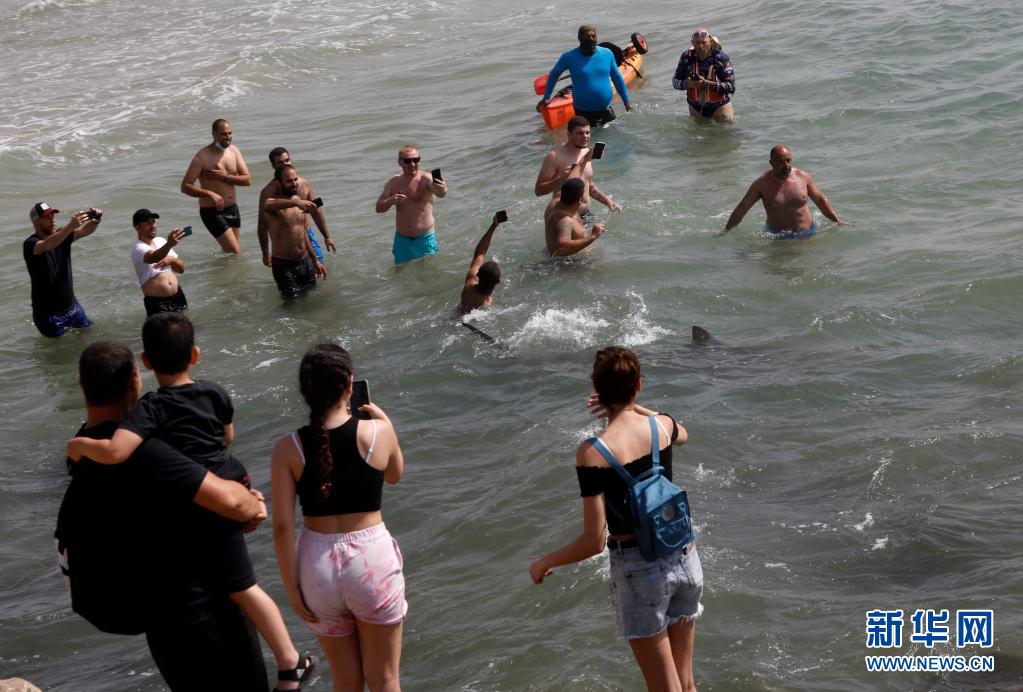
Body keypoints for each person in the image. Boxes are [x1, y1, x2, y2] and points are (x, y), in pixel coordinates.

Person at [66, 315, 314, 691]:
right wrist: (250, 502)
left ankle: (289, 664)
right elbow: (232, 492)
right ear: (135, 379)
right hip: (203, 616)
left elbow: (117, 456)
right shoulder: (163, 441)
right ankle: (289, 663)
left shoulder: (82, 460)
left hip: (158, 618)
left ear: (83, 385)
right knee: (244, 587)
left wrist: (78, 445)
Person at [529, 347, 701, 692]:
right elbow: (682, 432)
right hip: (685, 558)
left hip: (641, 573)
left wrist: (544, 561)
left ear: (597, 390)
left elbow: (593, 541)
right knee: (685, 684)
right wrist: (637, 406)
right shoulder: (662, 427)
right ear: (638, 384)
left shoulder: (593, 453)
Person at [271, 344, 406, 692]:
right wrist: (386, 424)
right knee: (385, 679)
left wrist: (293, 590)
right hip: (370, 563)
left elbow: (282, 528)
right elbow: (394, 475)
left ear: (305, 391)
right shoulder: (378, 432)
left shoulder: (288, 448)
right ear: (349, 385)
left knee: (346, 680)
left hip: (317, 568)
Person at [720, 144, 848, 238]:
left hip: (807, 231)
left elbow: (820, 200)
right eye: (781, 162)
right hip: (777, 236)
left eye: (788, 160)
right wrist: (726, 231)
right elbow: (742, 208)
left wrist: (838, 221)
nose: (786, 165)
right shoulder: (761, 184)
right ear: (771, 163)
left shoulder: (803, 177)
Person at [23, 202, 101, 337]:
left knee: (91, 337)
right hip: (49, 315)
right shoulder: (31, 243)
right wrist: (71, 226)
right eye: (47, 217)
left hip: (73, 308)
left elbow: (84, 231)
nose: (52, 220)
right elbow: (48, 244)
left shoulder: (62, 236)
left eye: (53, 216)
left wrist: (95, 221)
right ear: (36, 222)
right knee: (60, 349)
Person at [181, 118, 252, 254]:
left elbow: (247, 180)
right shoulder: (202, 156)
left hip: (233, 209)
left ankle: (219, 267)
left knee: (230, 255)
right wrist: (209, 193)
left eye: (230, 133)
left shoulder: (234, 151)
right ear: (214, 134)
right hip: (212, 212)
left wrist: (224, 177)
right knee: (235, 252)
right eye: (224, 134)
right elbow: (185, 186)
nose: (228, 137)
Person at [542, 25, 633, 127]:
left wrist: (626, 102)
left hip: (605, 108)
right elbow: (554, 75)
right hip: (583, 112)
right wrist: (546, 97)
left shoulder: (607, 54)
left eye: (593, 36)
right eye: (587, 37)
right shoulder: (569, 57)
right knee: (587, 136)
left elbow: (617, 78)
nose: (591, 39)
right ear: (579, 38)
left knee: (613, 134)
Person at [259, 147, 336, 265]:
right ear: (273, 166)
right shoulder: (268, 192)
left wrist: (327, 237)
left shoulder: (304, 183)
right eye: (280, 163)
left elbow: (315, 210)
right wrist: (265, 254)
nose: (285, 164)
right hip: (285, 239)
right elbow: (262, 225)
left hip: (306, 232)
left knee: (320, 267)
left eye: (287, 160)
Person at [261, 164, 328, 299]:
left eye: (295, 179)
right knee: (292, 305)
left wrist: (315, 260)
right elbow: (267, 205)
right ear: (279, 183)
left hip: (305, 261)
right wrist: (296, 203)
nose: (294, 184)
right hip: (284, 265)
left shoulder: (298, 200)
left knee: (312, 299)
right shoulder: (273, 202)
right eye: (289, 181)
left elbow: (303, 234)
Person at [534, 116, 622, 217]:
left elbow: (587, 185)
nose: (585, 136)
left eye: (587, 132)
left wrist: (606, 200)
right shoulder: (555, 156)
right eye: (580, 133)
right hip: (565, 216)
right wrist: (561, 179)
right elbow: (539, 190)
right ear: (569, 134)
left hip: (585, 214)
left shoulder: (587, 153)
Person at [375, 145, 448, 265]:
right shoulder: (393, 182)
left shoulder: (426, 179)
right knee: (400, 272)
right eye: (408, 161)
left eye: (416, 159)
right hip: (402, 240)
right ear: (399, 162)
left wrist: (443, 189)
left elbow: (441, 194)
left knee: (427, 273)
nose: (412, 164)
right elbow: (379, 208)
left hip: (425, 239)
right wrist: (391, 201)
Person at [130, 209, 188, 316]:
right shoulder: (137, 248)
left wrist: (171, 260)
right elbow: (154, 257)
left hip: (178, 297)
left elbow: (181, 269)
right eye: (147, 223)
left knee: (186, 326)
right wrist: (169, 244)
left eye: (153, 222)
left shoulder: (161, 241)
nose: (153, 226)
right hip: (158, 302)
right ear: (137, 227)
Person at [672, 28, 736, 121]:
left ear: (710, 41)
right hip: (695, 108)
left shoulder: (721, 58)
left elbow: (731, 87)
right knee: (698, 131)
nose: (701, 46)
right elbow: (675, 82)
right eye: (697, 43)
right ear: (692, 43)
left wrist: (707, 84)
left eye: (704, 42)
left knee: (728, 129)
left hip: (719, 107)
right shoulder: (686, 57)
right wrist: (687, 83)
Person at [544, 178, 606, 257]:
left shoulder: (555, 204)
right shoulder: (565, 221)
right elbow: (562, 247)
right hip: (571, 263)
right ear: (581, 200)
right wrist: (593, 236)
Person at [459, 212, 505, 314]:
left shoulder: (470, 282)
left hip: (455, 315)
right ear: (497, 282)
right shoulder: (486, 302)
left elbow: (480, 252)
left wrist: (493, 226)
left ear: (478, 275)